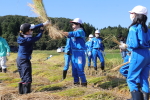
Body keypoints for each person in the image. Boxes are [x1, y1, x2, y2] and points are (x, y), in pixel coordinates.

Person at [119, 5, 150, 100]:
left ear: (136, 15)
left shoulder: (133, 28)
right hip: (147, 54)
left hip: (137, 54)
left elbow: (134, 44)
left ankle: (136, 98)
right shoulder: (146, 29)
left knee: (131, 79)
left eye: (132, 13)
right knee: (143, 78)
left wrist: (125, 46)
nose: (130, 15)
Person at [17, 20, 50, 94]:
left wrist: (43, 24)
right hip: (24, 60)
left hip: (20, 59)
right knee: (27, 76)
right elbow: (37, 37)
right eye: (31, 30)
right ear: (27, 32)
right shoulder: (27, 39)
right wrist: (41, 31)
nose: (32, 30)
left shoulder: (21, 36)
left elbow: (33, 27)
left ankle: (21, 93)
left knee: (23, 76)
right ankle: (26, 94)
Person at [62, 18, 87, 87]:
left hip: (80, 53)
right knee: (74, 70)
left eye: (74, 23)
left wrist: (63, 33)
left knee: (79, 69)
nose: (72, 25)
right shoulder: (73, 33)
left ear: (78, 24)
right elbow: (69, 41)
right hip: (74, 53)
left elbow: (73, 34)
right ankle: (76, 84)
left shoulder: (81, 31)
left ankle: (84, 84)